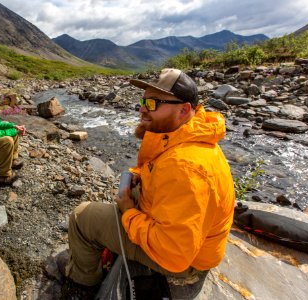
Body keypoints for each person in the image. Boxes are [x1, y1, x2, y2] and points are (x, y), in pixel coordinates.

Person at [64, 68, 235, 299]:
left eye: (153, 103)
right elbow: (160, 168)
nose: (142, 109)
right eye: (144, 101)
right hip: (191, 245)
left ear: (184, 110)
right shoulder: (184, 133)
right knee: (127, 192)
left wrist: (128, 212)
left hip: (185, 264)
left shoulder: (186, 167)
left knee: (82, 217)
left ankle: (82, 286)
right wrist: (139, 174)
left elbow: (174, 255)